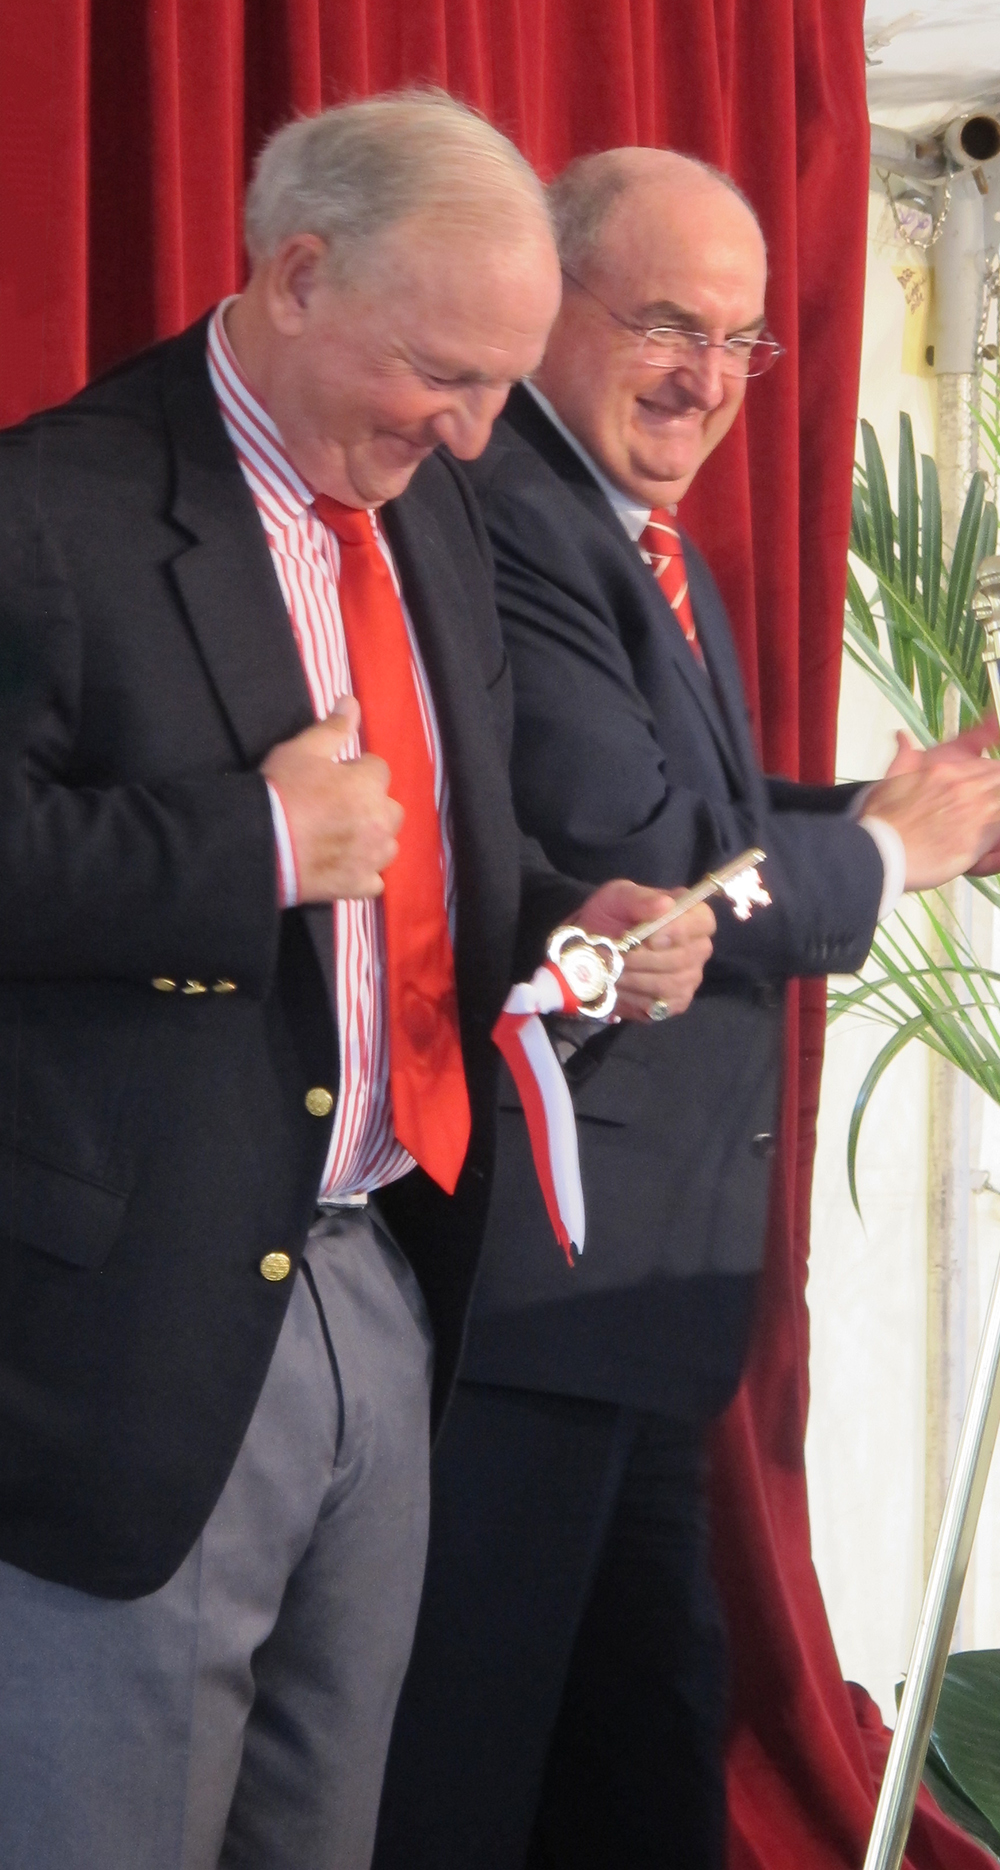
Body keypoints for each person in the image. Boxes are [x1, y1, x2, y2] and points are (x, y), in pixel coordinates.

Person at [0, 104, 716, 1870]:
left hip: (386, 1284)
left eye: (498, 383)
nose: (476, 430)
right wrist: (243, 843)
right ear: (297, 274)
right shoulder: (47, 508)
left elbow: (427, 857)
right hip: (141, 1332)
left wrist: (579, 926)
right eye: (440, 374)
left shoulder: (438, 510)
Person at [373, 148, 1000, 1870]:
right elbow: (637, 870)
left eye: (741, 342)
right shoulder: (512, 525)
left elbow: (710, 824)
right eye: (666, 323)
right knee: (475, 1768)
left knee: (645, 1744)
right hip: (529, 1283)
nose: (706, 379)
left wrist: (907, 811)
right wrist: (887, 857)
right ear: (546, 301)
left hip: (637, 1304)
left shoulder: (644, 542)